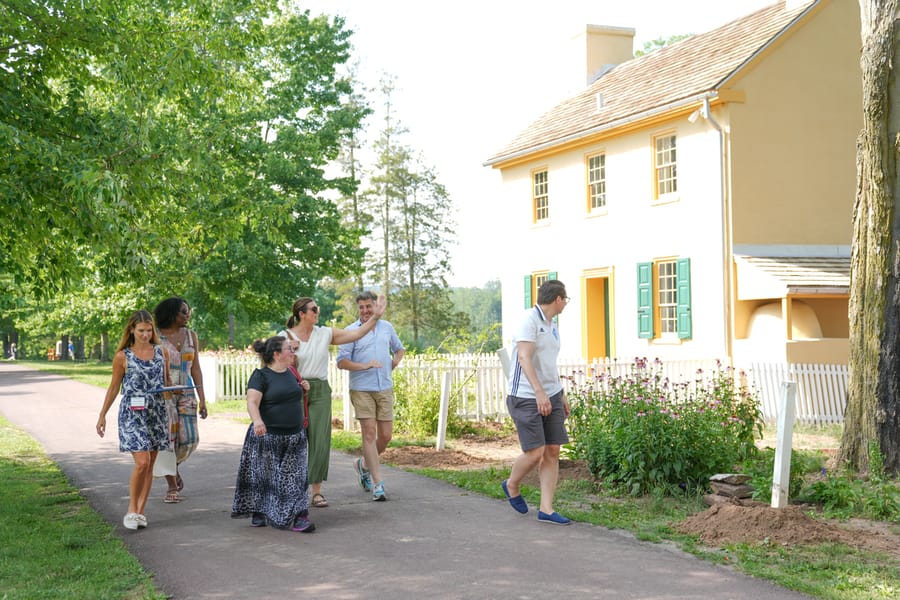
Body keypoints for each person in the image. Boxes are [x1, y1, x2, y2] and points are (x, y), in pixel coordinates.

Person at [278, 294, 386, 509]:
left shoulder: (325, 333)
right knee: (293, 441)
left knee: (320, 441)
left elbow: (355, 334)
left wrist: (375, 318)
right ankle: (289, 490)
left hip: (319, 391)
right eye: (314, 309)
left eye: (317, 309)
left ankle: (317, 492)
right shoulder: (285, 336)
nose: (318, 312)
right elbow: (272, 361)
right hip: (293, 390)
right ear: (302, 314)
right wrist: (286, 350)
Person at [501, 280, 573, 525]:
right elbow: (524, 357)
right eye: (566, 300)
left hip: (550, 393)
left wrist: (559, 393)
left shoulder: (552, 325)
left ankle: (547, 509)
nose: (565, 304)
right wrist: (539, 393)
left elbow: (548, 364)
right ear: (558, 299)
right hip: (525, 396)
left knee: (552, 450)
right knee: (535, 452)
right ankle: (511, 484)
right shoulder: (529, 320)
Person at [96, 310, 171, 530]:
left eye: (149, 330)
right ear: (132, 330)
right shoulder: (123, 357)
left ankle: (140, 512)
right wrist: (102, 415)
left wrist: (174, 394)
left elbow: (165, 382)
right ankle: (131, 509)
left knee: (151, 465)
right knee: (142, 462)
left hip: (156, 412)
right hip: (132, 413)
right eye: (141, 330)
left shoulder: (161, 352)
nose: (146, 334)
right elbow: (113, 387)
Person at [231, 336, 314, 532]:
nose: (292, 352)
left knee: (297, 479)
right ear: (277, 354)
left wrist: (304, 388)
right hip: (268, 437)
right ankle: (260, 510)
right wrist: (258, 421)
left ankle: (300, 516)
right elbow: (252, 402)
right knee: (265, 477)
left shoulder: (292, 372)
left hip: (295, 436)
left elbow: (292, 396)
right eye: (288, 349)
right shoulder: (261, 376)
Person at [337, 291, 405, 501]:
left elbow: (399, 349)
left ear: (376, 306)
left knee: (385, 436)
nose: (365, 311)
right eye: (362, 307)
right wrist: (364, 365)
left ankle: (363, 465)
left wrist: (393, 363)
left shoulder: (387, 328)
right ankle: (378, 484)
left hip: (384, 387)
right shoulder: (350, 331)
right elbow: (342, 362)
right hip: (361, 388)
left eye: (369, 306)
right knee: (368, 433)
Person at [154, 297, 208, 503]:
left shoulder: (190, 336)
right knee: (167, 439)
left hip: (186, 393)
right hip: (163, 395)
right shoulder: (156, 337)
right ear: (172, 313)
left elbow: (196, 368)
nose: (188, 316)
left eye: (188, 312)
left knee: (189, 439)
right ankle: (171, 486)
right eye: (184, 312)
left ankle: (174, 467)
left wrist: (202, 399)